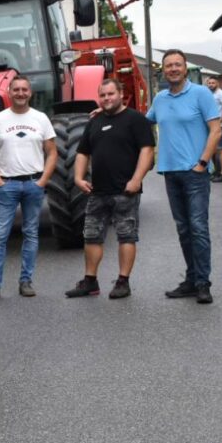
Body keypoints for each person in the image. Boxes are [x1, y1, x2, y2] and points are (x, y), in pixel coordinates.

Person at [65, 79, 156, 299]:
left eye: (110, 94)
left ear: (121, 93)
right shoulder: (94, 122)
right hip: (97, 191)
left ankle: (123, 282)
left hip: (126, 191)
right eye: (103, 95)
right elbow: (82, 152)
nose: (106, 98)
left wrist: (136, 179)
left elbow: (147, 151)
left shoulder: (136, 120)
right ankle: (90, 281)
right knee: (91, 237)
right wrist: (78, 177)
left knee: (126, 236)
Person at [147, 49, 222, 304]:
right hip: (170, 172)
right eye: (168, 66)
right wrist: (103, 112)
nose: (173, 69)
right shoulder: (160, 99)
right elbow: (141, 122)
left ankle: (203, 283)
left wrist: (202, 163)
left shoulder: (201, 94)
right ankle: (191, 279)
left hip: (195, 174)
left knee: (198, 228)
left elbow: (215, 131)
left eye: (177, 64)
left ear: (185, 67)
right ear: (163, 70)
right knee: (184, 229)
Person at [0, 74, 58, 300]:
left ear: (30, 93)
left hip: (34, 183)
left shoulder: (41, 119)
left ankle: (26, 281)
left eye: (24, 90)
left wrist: (43, 180)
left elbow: (52, 152)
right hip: (8, 185)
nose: (21, 93)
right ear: (9, 92)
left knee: (31, 233)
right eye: (16, 90)